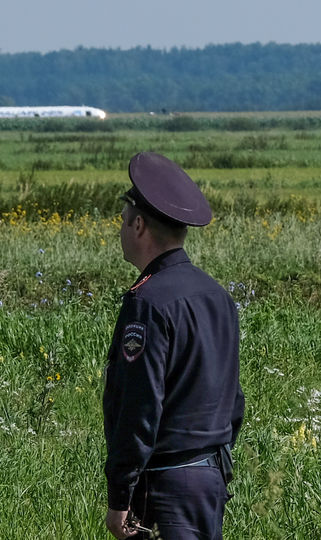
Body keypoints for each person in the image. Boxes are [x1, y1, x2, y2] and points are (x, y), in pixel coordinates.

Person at [103, 152, 244, 539]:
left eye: (122, 221)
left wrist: (120, 496)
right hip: (210, 480)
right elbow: (233, 401)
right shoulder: (218, 296)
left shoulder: (147, 303)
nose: (121, 231)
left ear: (139, 225)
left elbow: (139, 406)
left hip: (164, 486)